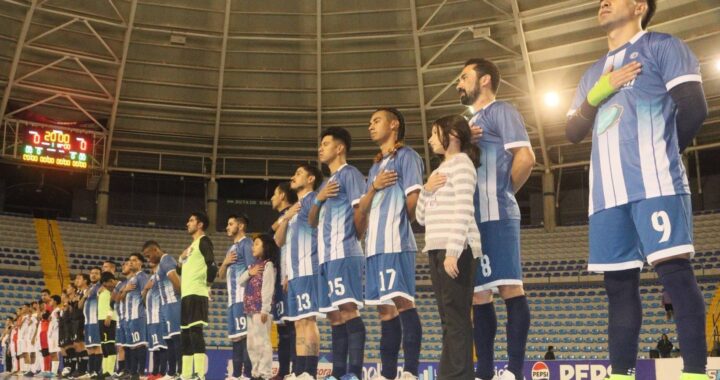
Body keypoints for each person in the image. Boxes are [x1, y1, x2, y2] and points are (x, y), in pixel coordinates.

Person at [566, 0, 708, 378]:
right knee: (618, 287)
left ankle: (694, 373)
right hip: (606, 197)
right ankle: (620, 374)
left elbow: (694, 109)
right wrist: (598, 93)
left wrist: (660, 155)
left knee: (676, 275)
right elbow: (572, 132)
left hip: (655, 183)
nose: (603, 2)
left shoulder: (663, 46)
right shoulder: (592, 73)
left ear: (639, 6)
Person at [456, 58, 536, 380]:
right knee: (479, 295)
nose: (458, 84)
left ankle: (514, 371)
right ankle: (484, 373)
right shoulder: (464, 125)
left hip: (497, 213)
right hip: (472, 222)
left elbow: (526, 157)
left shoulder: (502, 111)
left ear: (485, 80)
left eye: (464, 77)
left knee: (509, 288)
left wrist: (504, 192)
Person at [354, 108, 424, 380]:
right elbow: (363, 208)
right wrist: (373, 187)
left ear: (394, 125)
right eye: (369, 121)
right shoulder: (374, 167)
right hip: (374, 247)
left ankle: (410, 372)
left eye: (376, 120)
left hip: (395, 243)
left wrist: (398, 224)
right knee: (385, 310)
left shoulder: (407, 157)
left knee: (403, 302)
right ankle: (388, 373)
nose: (370, 126)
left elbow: (414, 197)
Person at [416, 115, 481, 380]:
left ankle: (458, 376)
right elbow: (420, 217)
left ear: (452, 134)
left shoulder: (463, 165)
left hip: (456, 250)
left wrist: (453, 251)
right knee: (448, 321)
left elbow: (464, 208)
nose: (430, 139)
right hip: (435, 248)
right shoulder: (436, 172)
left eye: (434, 133)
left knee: (456, 320)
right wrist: (426, 190)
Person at [309, 127, 367, 380]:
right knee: (335, 317)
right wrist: (319, 198)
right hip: (327, 257)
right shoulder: (324, 184)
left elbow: (361, 209)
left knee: (348, 310)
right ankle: (338, 372)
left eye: (325, 143)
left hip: (344, 251)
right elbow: (312, 221)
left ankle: (354, 373)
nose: (320, 148)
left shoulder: (350, 174)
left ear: (340, 148)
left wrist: (353, 238)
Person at [274, 164, 325, 379]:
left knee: (308, 320)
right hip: (294, 273)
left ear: (311, 178)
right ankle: (299, 370)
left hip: (309, 268)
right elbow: (279, 241)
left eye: (298, 173)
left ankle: (310, 371)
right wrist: (286, 217)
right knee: (297, 322)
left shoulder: (316, 200)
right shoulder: (295, 208)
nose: (293, 177)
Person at [177, 211, 218, 380]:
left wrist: (207, 285)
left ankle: (200, 374)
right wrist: (180, 258)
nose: (188, 223)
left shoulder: (204, 241)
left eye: (191, 220)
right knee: (185, 335)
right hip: (186, 295)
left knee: (195, 331)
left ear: (200, 224)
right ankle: (186, 374)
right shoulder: (190, 248)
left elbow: (212, 266)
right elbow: (180, 270)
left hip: (196, 294)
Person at [217, 214, 254, 380]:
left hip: (242, 297)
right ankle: (236, 375)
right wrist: (225, 262)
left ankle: (246, 374)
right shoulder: (230, 249)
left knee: (245, 337)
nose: (227, 227)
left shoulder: (247, 243)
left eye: (230, 224)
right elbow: (220, 275)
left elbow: (253, 269)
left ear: (240, 226)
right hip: (232, 300)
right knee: (236, 338)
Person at [269, 182, 298, 380]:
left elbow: (292, 244)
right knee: (282, 327)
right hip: (279, 279)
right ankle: (284, 370)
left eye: (274, 194)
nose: (271, 198)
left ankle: (297, 370)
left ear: (282, 195)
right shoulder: (282, 218)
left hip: (289, 275)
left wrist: (289, 272)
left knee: (293, 325)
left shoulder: (292, 214)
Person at [142, 241, 183, 380]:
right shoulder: (160, 266)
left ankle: (180, 372)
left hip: (173, 304)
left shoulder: (166, 260)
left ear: (155, 250)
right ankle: (170, 373)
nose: (148, 259)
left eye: (148, 256)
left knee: (176, 339)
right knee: (169, 340)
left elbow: (176, 282)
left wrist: (178, 300)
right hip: (165, 307)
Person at [240, 234, 278, 380]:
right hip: (249, 309)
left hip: (260, 309)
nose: (252, 247)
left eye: (256, 244)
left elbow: (268, 288)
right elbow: (240, 281)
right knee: (252, 343)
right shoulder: (253, 266)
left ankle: (265, 373)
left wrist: (265, 309)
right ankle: (256, 372)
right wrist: (250, 272)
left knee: (263, 342)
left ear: (265, 247)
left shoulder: (268, 265)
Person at [119, 253, 150, 380]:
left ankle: (141, 373)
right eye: (130, 260)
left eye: (134, 260)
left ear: (140, 263)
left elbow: (146, 295)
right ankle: (132, 372)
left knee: (139, 344)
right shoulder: (130, 280)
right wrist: (125, 290)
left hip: (138, 316)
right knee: (131, 346)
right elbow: (120, 299)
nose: (131, 262)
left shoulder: (142, 277)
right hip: (129, 317)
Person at [143, 263, 168, 380]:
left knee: (162, 346)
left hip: (159, 317)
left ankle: (162, 373)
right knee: (155, 347)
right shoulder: (151, 278)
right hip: (150, 319)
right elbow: (143, 299)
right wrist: (146, 288)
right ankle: (154, 372)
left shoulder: (163, 277)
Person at [81, 267, 104, 378]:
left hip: (96, 321)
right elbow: (80, 306)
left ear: (100, 275)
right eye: (92, 273)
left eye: (96, 273)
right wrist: (85, 296)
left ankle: (96, 371)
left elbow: (104, 303)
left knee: (97, 346)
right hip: (87, 321)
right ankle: (90, 372)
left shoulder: (102, 287)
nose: (93, 275)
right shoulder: (87, 289)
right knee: (89, 347)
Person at [112, 260, 131, 378]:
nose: (123, 266)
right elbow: (115, 299)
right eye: (122, 264)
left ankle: (131, 370)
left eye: (126, 263)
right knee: (120, 346)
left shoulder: (135, 280)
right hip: (121, 317)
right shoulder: (122, 283)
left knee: (131, 345)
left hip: (131, 317)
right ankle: (122, 369)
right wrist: (123, 290)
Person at [98, 271, 118, 379]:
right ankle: (105, 370)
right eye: (104, 284)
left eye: (107, 283)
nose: (106, 285)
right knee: (104, 346)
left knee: (110, 344)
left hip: (109, 319)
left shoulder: (114, 290)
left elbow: (113, 303)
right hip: (101, 319)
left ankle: (110, 371)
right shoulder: (102, 290)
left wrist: (109, 315)